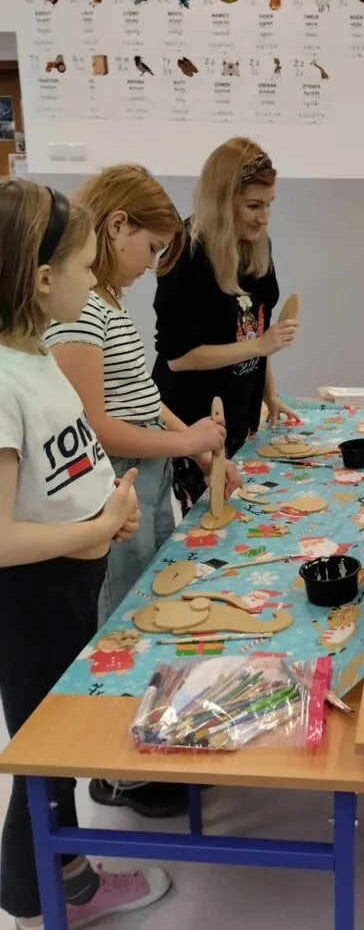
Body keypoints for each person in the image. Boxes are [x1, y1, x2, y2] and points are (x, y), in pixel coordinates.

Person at [0, 178, 170, 928]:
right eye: (79, 265)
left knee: (59, 745)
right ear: (43, 279)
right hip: (32, 599)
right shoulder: (4, 381)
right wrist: (92, 531)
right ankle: (40, 901)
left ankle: (61, 878)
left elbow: (64, 467)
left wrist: (107, 511)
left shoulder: (37, 356)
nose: (91, 276)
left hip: (72, 580)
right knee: (43, 753)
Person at [44, 165, 239, 819]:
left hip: (147, 479)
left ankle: (148, 740)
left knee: (149, 610)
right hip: (116, 487)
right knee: (121, 622)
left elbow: (145, 399)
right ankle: (118, 770)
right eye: (150, 248)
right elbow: (94, 426)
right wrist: (185, 443)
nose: (151, 264)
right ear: (117, 225)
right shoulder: (78, 315)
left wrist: (197, 443)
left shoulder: (106, 304)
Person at [152, 138, 299, 512]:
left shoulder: (254, 245)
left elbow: (257, 328)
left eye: (269, 205)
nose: (264, 217)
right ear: (222, 200)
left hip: (236, 414)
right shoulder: (187, 253)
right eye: (253, 206)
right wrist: (258, 347)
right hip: (191, 425)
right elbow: (179, 358)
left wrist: (268, 394)